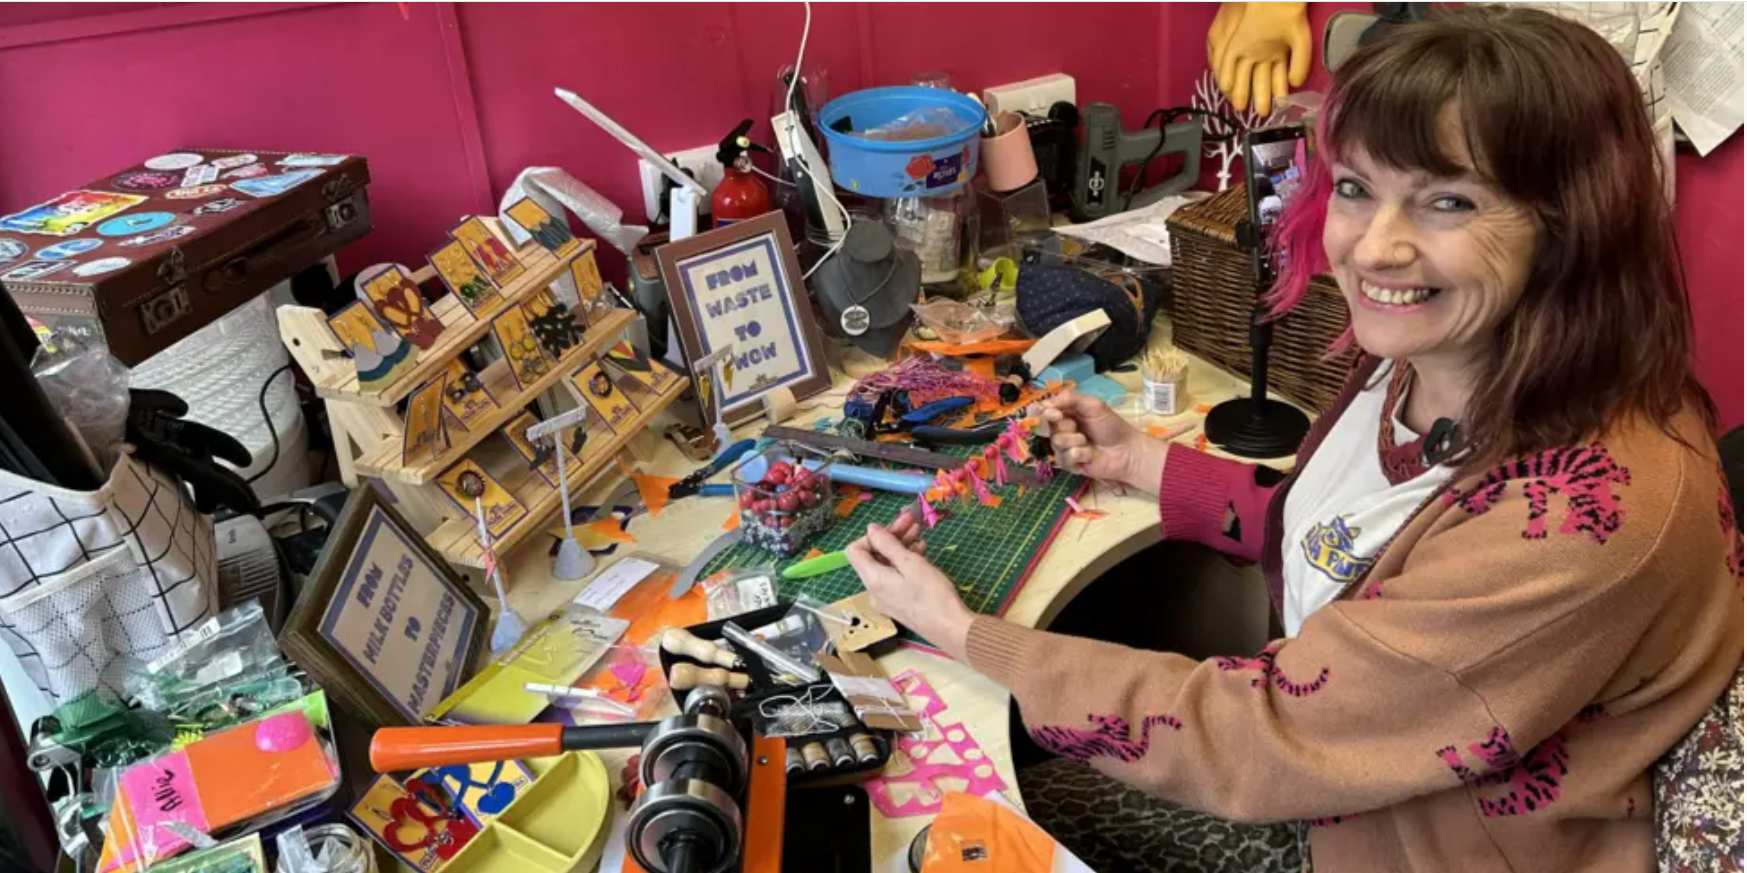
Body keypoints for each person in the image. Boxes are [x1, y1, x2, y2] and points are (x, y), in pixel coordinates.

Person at [846, 8, 1743, 872]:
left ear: (1571, 229)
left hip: (1407, 846)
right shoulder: (1433, 355)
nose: (1373, 249)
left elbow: (1266, 731)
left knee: (1017, 811)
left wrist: (964, 632)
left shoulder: (1580, 514)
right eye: (1354, 187)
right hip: (1357, 781)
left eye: (1447, 201)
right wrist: (1143, 462)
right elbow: (1365, 540)